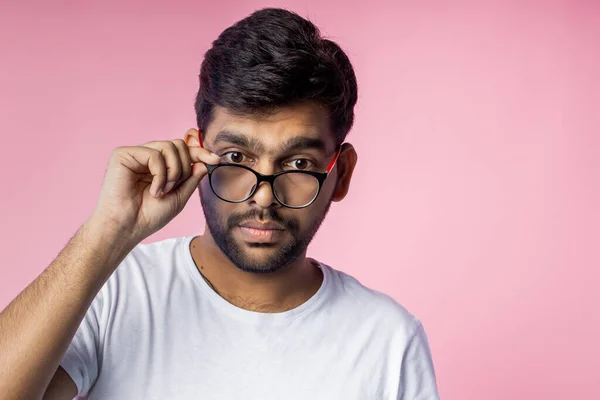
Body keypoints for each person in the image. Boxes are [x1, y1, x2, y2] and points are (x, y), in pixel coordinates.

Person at [0, 8, 439, 400]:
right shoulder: (113, 291)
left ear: (340, 173)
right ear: (197, 153)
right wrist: (106, 232)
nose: (264, 197)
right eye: (235, 158)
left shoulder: (388, 340)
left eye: (299, 162)